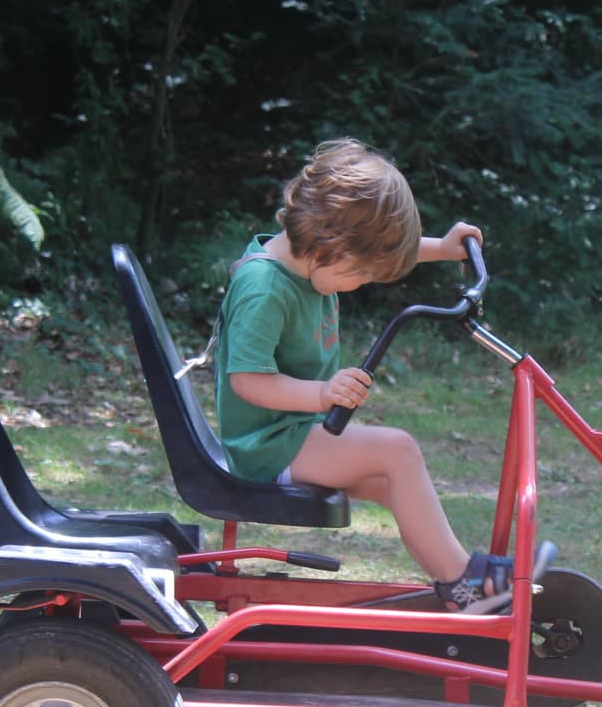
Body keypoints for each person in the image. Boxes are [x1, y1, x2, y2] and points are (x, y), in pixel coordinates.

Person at [213, 138, 525, 611]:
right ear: (331, 245)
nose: (362, 283)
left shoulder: (307, 257)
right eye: (360, 274)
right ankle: (467, 580)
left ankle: (456, 588)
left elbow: (374, 252)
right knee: (397, 450)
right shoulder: (264, 288)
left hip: (292, 433)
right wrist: (322, 392)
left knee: (393, 480)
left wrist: (442, 248)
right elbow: (247, 382)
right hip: (267, 446)